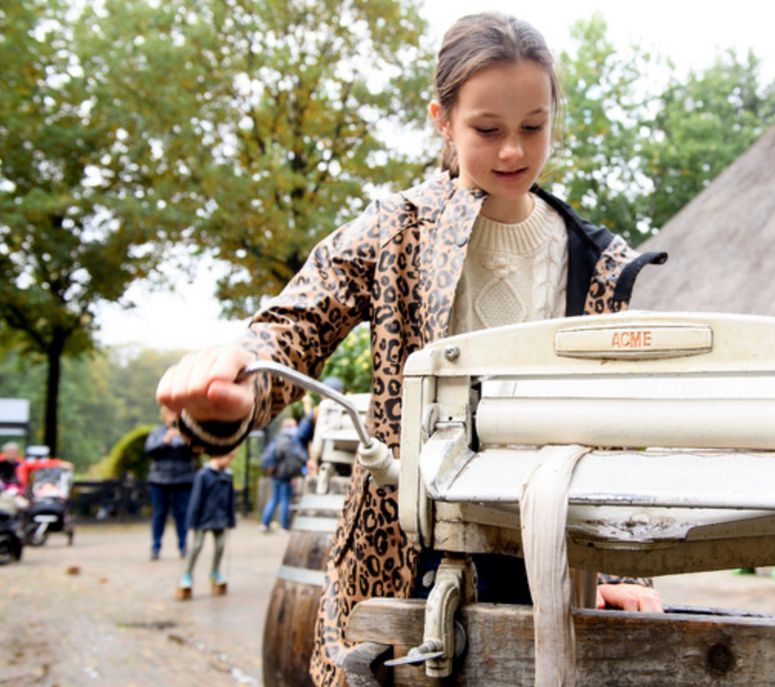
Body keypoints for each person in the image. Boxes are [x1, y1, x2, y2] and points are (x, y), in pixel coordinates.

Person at [156, 12, 666, 683]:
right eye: (488, 129)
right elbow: (294, 323)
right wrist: (237, 383)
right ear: (442, 120)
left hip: (549, 561)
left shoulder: (600, 264)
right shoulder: (396, 231)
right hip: (404, 556)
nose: (513, 150)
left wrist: (624, 564)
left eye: (533, 127)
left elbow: (619, 427)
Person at [177, 449, 237, 599]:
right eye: (228, 458)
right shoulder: (203, 475)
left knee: (220, 545)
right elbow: (196, 499)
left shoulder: (228, 476)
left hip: (220, 517)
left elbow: (230, 500)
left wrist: (230, 519)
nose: (229, 461)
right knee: (197, 546)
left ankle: (215, 572)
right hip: (203, 517)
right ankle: (187, 574)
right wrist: (192, 520)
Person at [144, 406, 198, 560]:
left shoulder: (188, 433)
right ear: (164, 416)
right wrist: (165, 441)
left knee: (182, 514)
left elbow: (196, 451)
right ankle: (155, 547)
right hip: (159, 480)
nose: (172, 417)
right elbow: (149, 451)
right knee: (159, 514)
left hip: (182, 479)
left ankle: (183, 546)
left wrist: (184, 438)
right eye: (170, 414)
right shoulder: (157, 433)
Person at [259, 417, 305, 532]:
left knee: (274, 499)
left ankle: (265, 523)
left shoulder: (277, 439)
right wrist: (293, 475)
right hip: (284, 475)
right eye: (293, 426)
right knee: (285, 499)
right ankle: (284, 526)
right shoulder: (289, 441)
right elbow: (290, 461)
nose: (296, 428)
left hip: (276, 474)